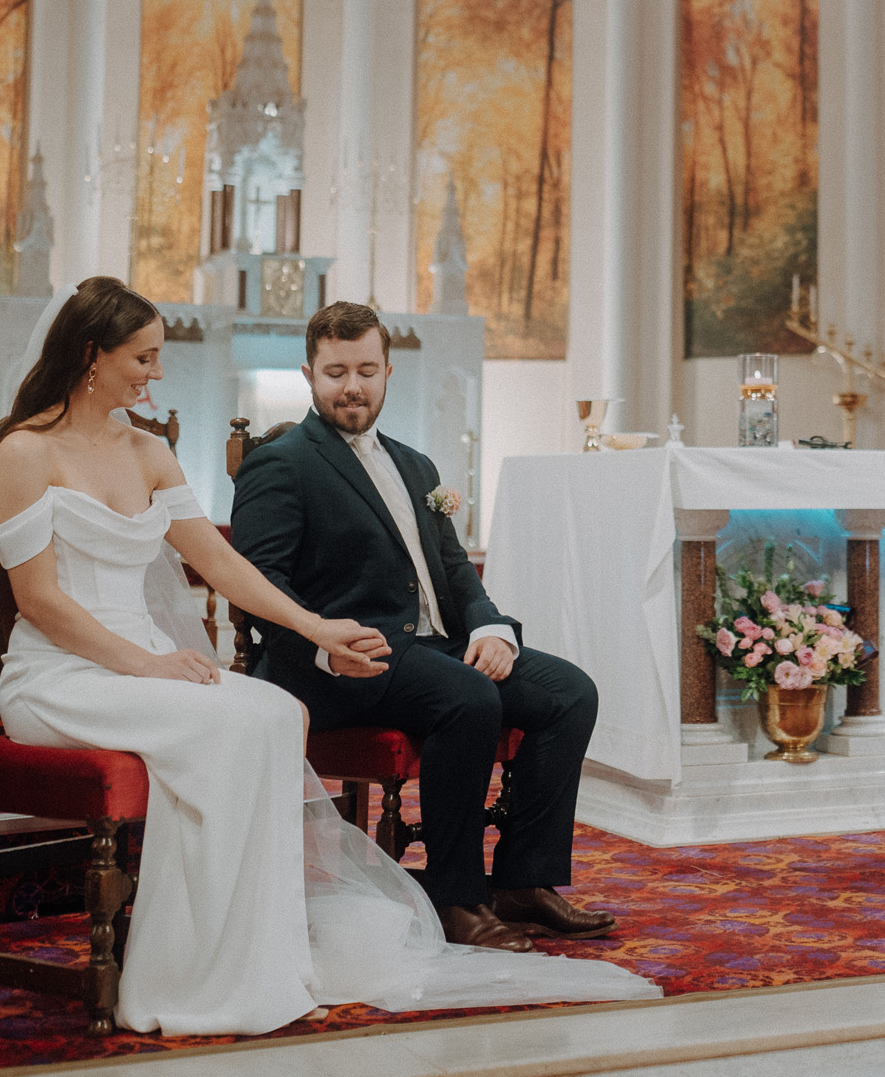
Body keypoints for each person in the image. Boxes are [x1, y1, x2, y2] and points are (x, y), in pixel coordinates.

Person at [0, 278, 657, 1035]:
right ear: (90, 357)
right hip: (65, 673)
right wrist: (159, 662)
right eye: (144, 357)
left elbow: (225, 564)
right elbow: (39, 602)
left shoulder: (148, 450)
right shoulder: (24, 452)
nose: (157, 373)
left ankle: (251, 946)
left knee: (273, 713)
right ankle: (198, 956)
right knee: (255, 719)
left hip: (154, 663)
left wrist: (320, 626)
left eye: (158, 356)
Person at [232, 302, 615, 953]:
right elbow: (261, 582)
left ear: (387, 372)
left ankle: (524, 881)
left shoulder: (416, 466)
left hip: (430, 648)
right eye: (335, 372)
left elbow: (453, 568)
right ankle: (454, 897)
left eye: (365, 369)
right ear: (309, 374)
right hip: (337, 660)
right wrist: (326, 647)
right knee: (469, 697)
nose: (351, 385)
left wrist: (491, 628)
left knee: (569, 692)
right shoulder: (282, 463)